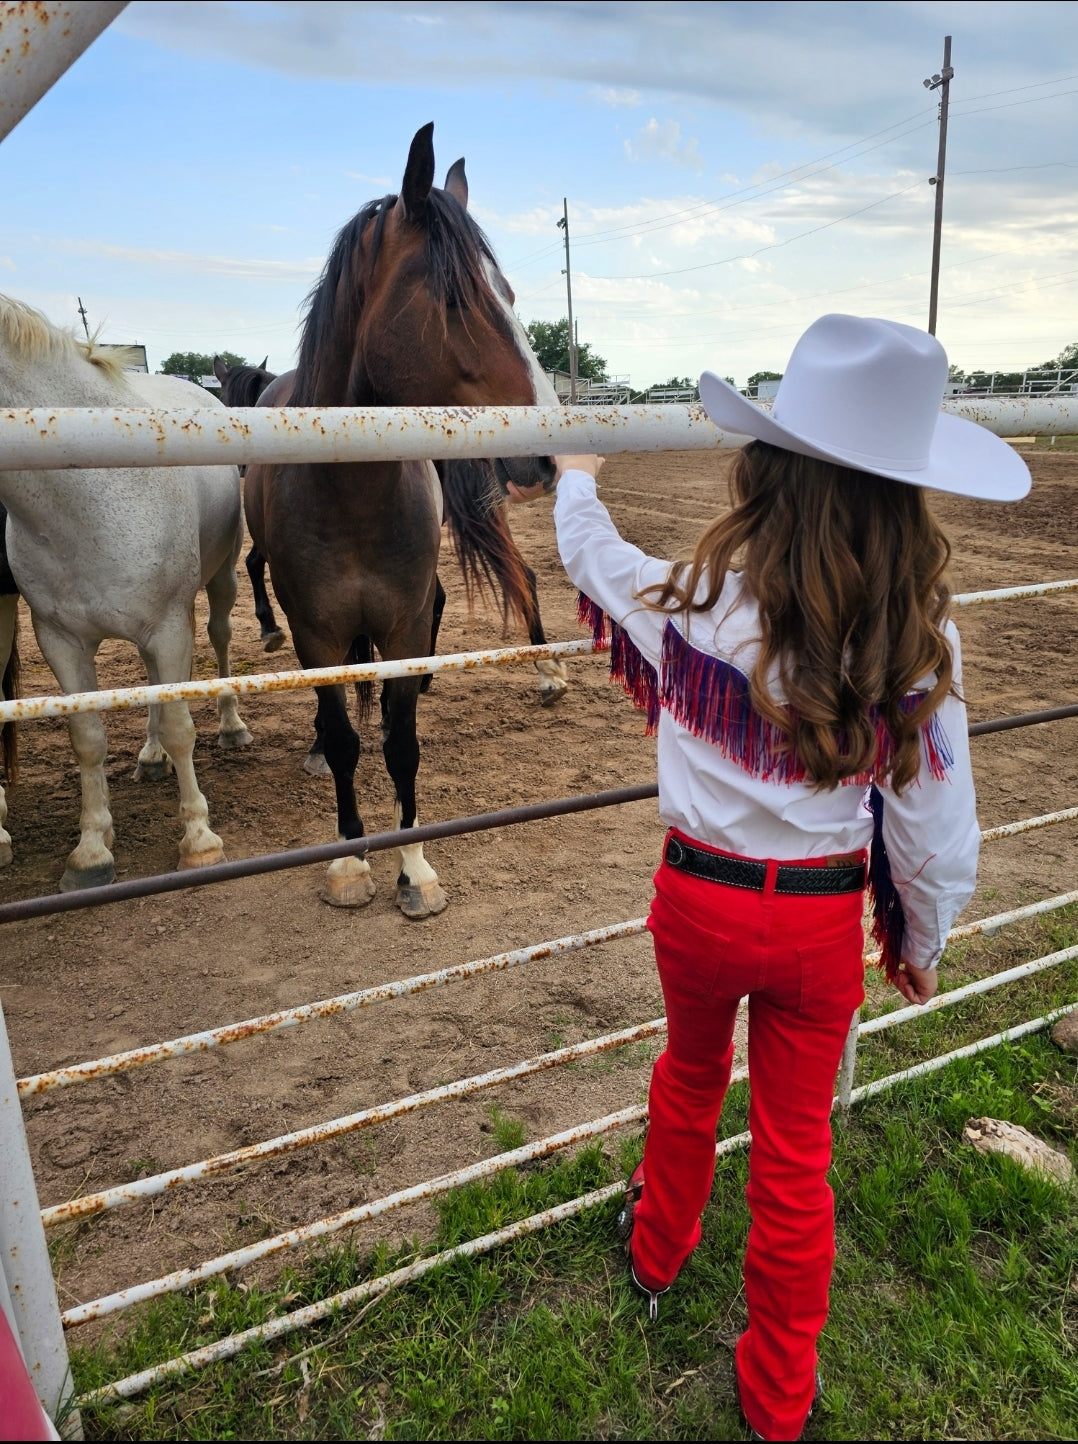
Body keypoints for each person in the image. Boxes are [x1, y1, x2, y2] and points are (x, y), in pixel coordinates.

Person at [548, 315, 1031, 1442]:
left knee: (687, 1072)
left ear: (763, 468)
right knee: (795, 1157)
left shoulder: (692, 601)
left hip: (697, 904)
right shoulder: (921, 646)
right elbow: (933, 828)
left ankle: (656, 1249)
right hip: (817, 933)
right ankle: (776, 1394)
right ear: (908, 499)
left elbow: (589, 556)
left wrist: (576, 475)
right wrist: (920, 939)